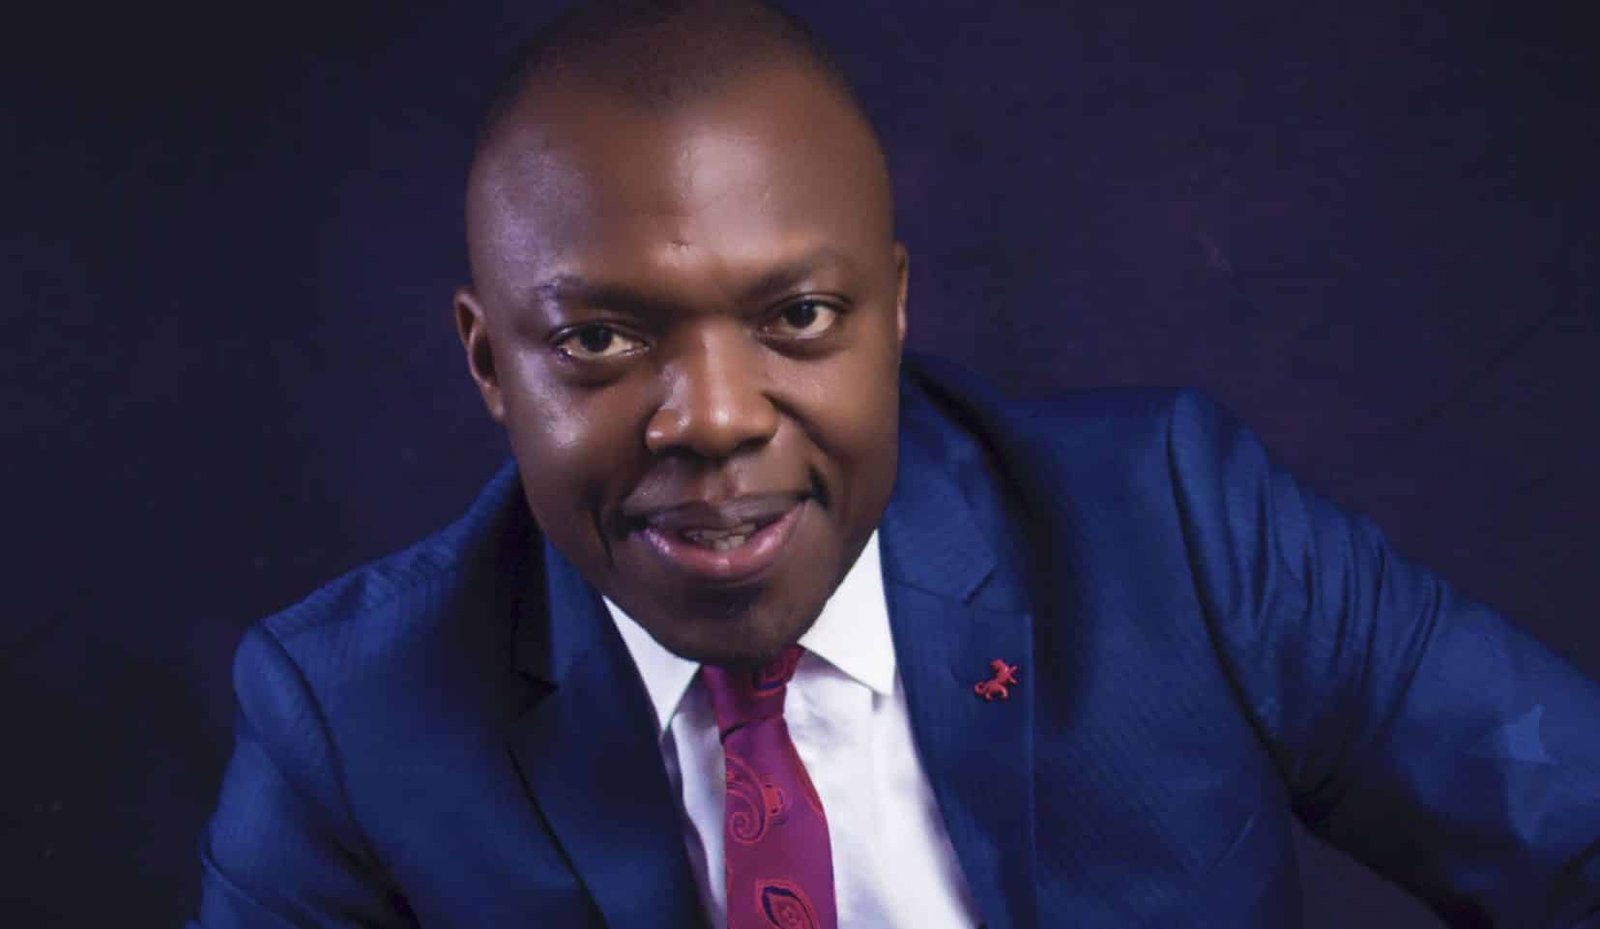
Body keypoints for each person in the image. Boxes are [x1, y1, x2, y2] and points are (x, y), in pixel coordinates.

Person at [190, 2, 1600, 927]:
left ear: (898, 311)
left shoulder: (1174, 528)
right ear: (491, 362)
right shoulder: (352, 718)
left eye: (799, 317)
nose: (715, 418)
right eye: (603, 339)